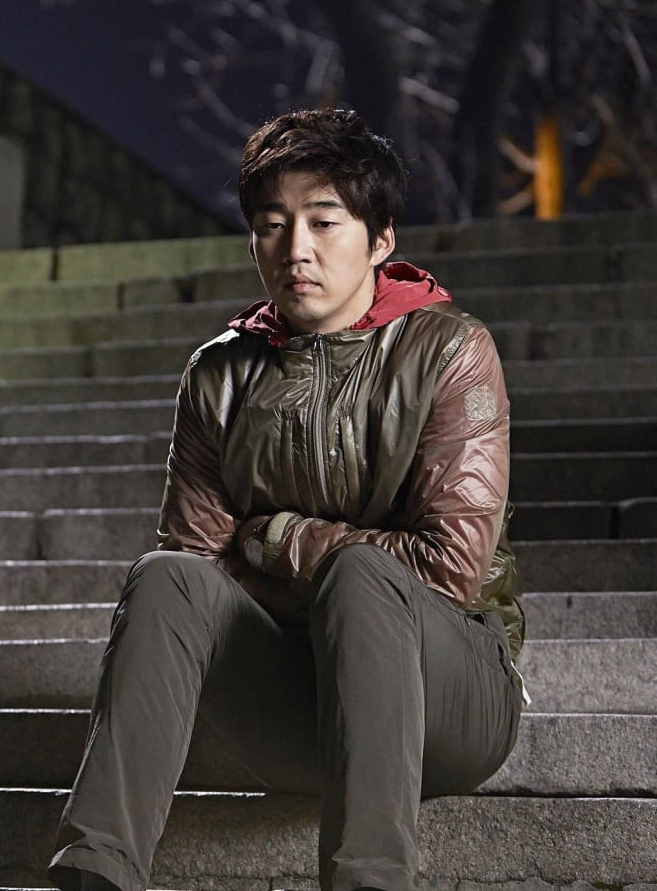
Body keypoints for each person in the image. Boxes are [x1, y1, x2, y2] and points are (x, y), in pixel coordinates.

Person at [48, 108, 526, 891]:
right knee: (165, 578)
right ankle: (98, 869)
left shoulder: (450, 351)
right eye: (272, 225)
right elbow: (198, 568)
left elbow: (451, 571)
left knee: (364, 576)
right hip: (295, 712)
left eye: (324, 223)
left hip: (448, 705)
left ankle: (369, 881)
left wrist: (279, 542)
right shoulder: (219, 374)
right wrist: (283, 576)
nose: (295, 248)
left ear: (380, 239)